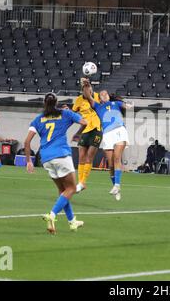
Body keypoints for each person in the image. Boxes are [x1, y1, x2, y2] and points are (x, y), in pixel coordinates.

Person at [24, 93, 87, 234]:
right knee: (71, 188)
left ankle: (72, 222)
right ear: (56, 102)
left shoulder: (38, 119)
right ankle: (51, 215)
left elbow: (27, 142)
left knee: (62, 191)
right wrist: (78, 134)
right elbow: (85, 122)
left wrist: (29, 161)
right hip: (62, 155)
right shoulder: (65, 114)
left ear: (44, 103)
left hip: (46, 158)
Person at [82, 78, 131, 201]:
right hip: (107, 134)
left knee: (116, 158)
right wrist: (86, 85)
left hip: (119, 130)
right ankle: (116, 186)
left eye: (106, 93)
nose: (104, 94)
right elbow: (88, 96)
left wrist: (128, 106)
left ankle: (117, 185)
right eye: (102, 94)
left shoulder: (117, 104)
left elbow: (126, 106)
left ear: (109, 96)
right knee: (110, 165)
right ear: (100, 98)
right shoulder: (97, 107)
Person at [71, 82, 103, 193]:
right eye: (85, 88)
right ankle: (80, 183)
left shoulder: (96, 97)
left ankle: (83, 182)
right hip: (84, 130)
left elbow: (98, 106)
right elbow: (73, 114)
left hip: (97, 130)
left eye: (89, 88)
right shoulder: (79, 100)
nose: (88, 90)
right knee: (81, 157)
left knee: (89, 156)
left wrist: (88, 85)